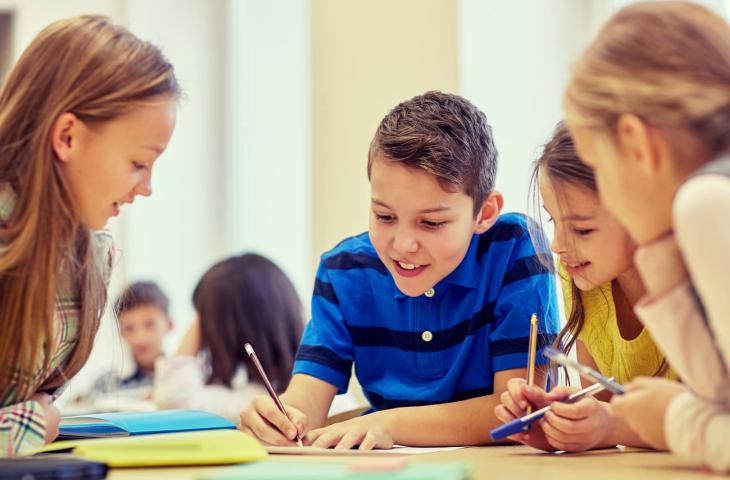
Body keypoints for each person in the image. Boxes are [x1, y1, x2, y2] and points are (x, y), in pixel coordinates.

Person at [240, 91, 559, 449]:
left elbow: (514, 412)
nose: (403, 244)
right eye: (385, 216)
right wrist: (282, 418)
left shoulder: (516, 248)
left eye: (432, 222)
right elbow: (307, 399)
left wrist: (388, 422)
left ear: (484, 213)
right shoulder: (343, 270)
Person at [0, 15, 178, 456]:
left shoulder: (90, 254)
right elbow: (32, 414)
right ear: (67, 137)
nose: (146, 188)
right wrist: (35, 421)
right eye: (138, 163)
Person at [564, 1, 730, 472]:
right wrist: (660, 256)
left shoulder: (709, 201)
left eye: (597, 166)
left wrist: (674, 420)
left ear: (637, 144)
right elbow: (722, 397)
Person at [495, 122, 676, 452]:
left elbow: (712, 422)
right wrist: (563, 424)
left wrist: (611, 425)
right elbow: (607, 412)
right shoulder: (581, 278)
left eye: (582, 230)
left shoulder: (694, 286)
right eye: (553, 221)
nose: (556, 246)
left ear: (642, 212)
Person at [154, 254, 303, 423]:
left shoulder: (255, 403)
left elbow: (173, 400)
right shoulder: (301, 388)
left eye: (204, 319)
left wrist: (205, 312)